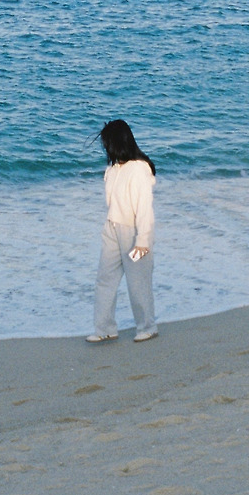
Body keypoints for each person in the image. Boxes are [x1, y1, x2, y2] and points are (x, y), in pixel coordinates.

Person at [87, 119, 158, 343]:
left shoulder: (138, 169)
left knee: (138, 282)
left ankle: (147, 327)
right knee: (105, 279)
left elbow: (144, 208)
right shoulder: (112, 169)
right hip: (112, 229)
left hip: (134, 232)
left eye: (107, 143)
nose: (105, 147)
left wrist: (142, 241)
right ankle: (105, 328)